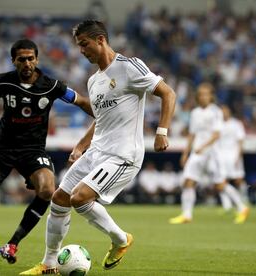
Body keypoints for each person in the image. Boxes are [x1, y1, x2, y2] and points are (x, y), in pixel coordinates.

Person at [20, 20, 176, 275]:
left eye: (84, 44)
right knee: (59, 198)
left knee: (79, 198)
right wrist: (81, 145)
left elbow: (168, 93)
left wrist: (162, 131)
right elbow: (101, 120)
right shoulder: (94, 81)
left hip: (123, 154)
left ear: (101, 40)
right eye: (79, 45)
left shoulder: (129, 67)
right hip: (97, 152)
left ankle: (121, 240)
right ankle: (48, 265)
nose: (81, 50)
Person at [0, 38, 92, 266]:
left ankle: (13, 243)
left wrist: (106, 115)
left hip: (32, 150)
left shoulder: (51, 85)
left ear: (37, 59)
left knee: (48, 189)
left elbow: (80, 101)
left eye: (31, 58)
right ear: (14, 61)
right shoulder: (4, 82)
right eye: (21, 59)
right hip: (1, 147)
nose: (27, 63)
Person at [169, 83, 249, 225]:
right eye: (201, 94)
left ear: (211, 96)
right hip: (197, 153)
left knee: (219, 185)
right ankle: (186, 214)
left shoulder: (216, 112)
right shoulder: (195, 113)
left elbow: (216, 135)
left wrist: (203, 146)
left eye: (206, 94)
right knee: (188, 181)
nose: (203, 97)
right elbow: (192, 135)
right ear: (197, 97)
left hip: (212, 153)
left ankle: (242, 207)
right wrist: (185, 153)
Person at [218, 105, 248, 213]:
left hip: (233, 156)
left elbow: (240, 140)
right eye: (221, 111)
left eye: (225, 111)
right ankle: (227, 205)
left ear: (229, 112)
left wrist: (239, 155)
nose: (223, 113)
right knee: (221, 180)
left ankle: (244, 200)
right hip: (221, 157)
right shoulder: (217, 125)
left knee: (238, 179)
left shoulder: (236, 124)